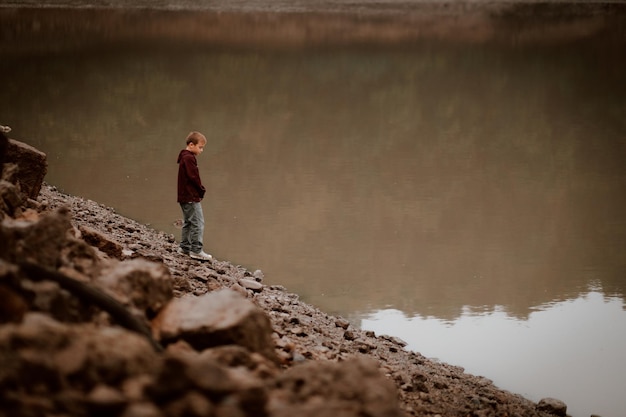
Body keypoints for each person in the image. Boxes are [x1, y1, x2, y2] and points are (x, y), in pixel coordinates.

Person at [177, 131, 212, 261]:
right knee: (198, 222)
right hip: (190, 196)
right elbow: (194, 177)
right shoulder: (189, 158)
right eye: (200, 147)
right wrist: (201, 190)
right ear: (191, 145)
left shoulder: (184, 157)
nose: (201, 150)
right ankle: (196, 250)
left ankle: (184, 247)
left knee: (188, 222)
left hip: (183, 196)